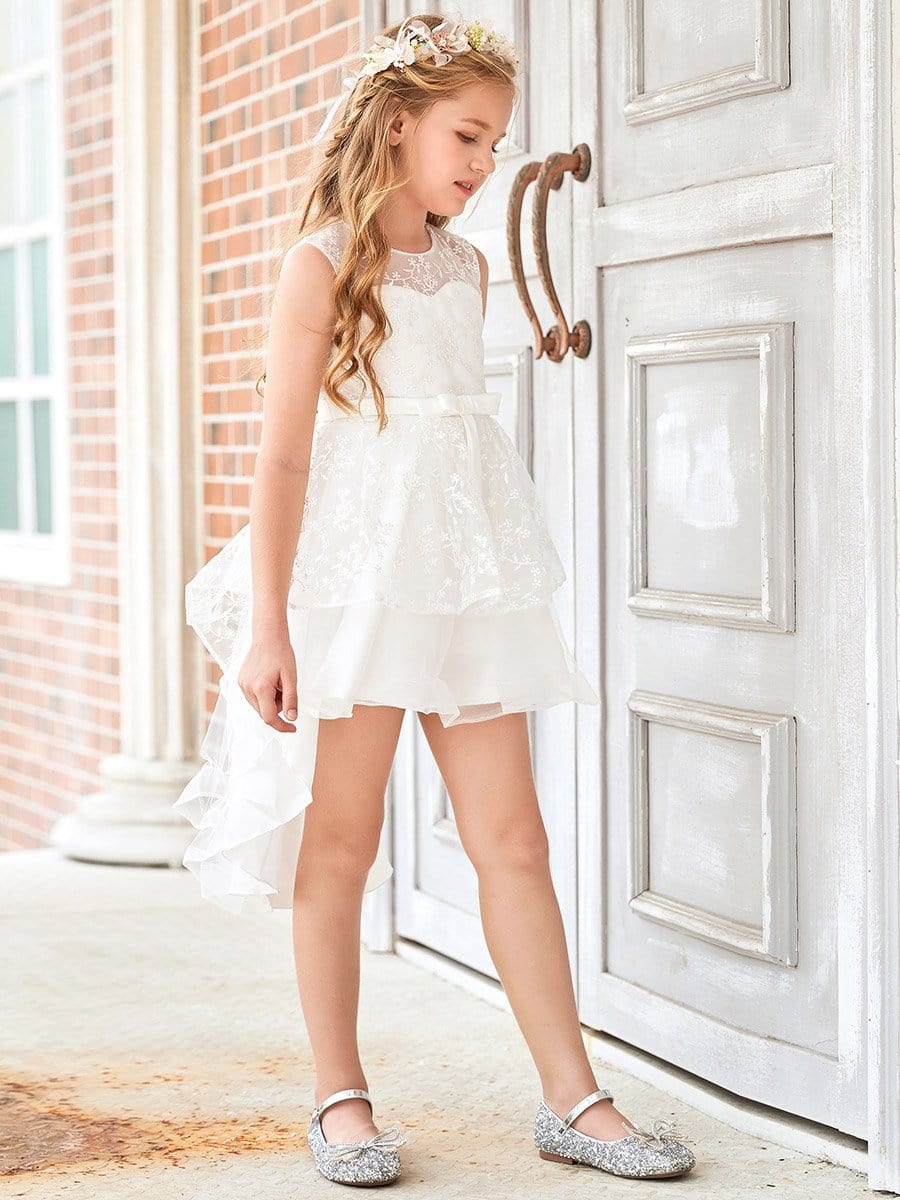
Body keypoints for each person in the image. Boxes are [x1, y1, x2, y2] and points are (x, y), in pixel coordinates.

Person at [173, 11, 695, 1188]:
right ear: (396, 125)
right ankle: (340, 1097)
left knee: (515, 835)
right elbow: (284, 461)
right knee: (344, 843)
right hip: (358, 582)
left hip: (465, 578)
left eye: (497, 144)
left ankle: (576, 1096)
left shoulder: (463, 263)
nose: (481, 162)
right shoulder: (321, 262)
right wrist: (269, 626)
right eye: (467, 135)